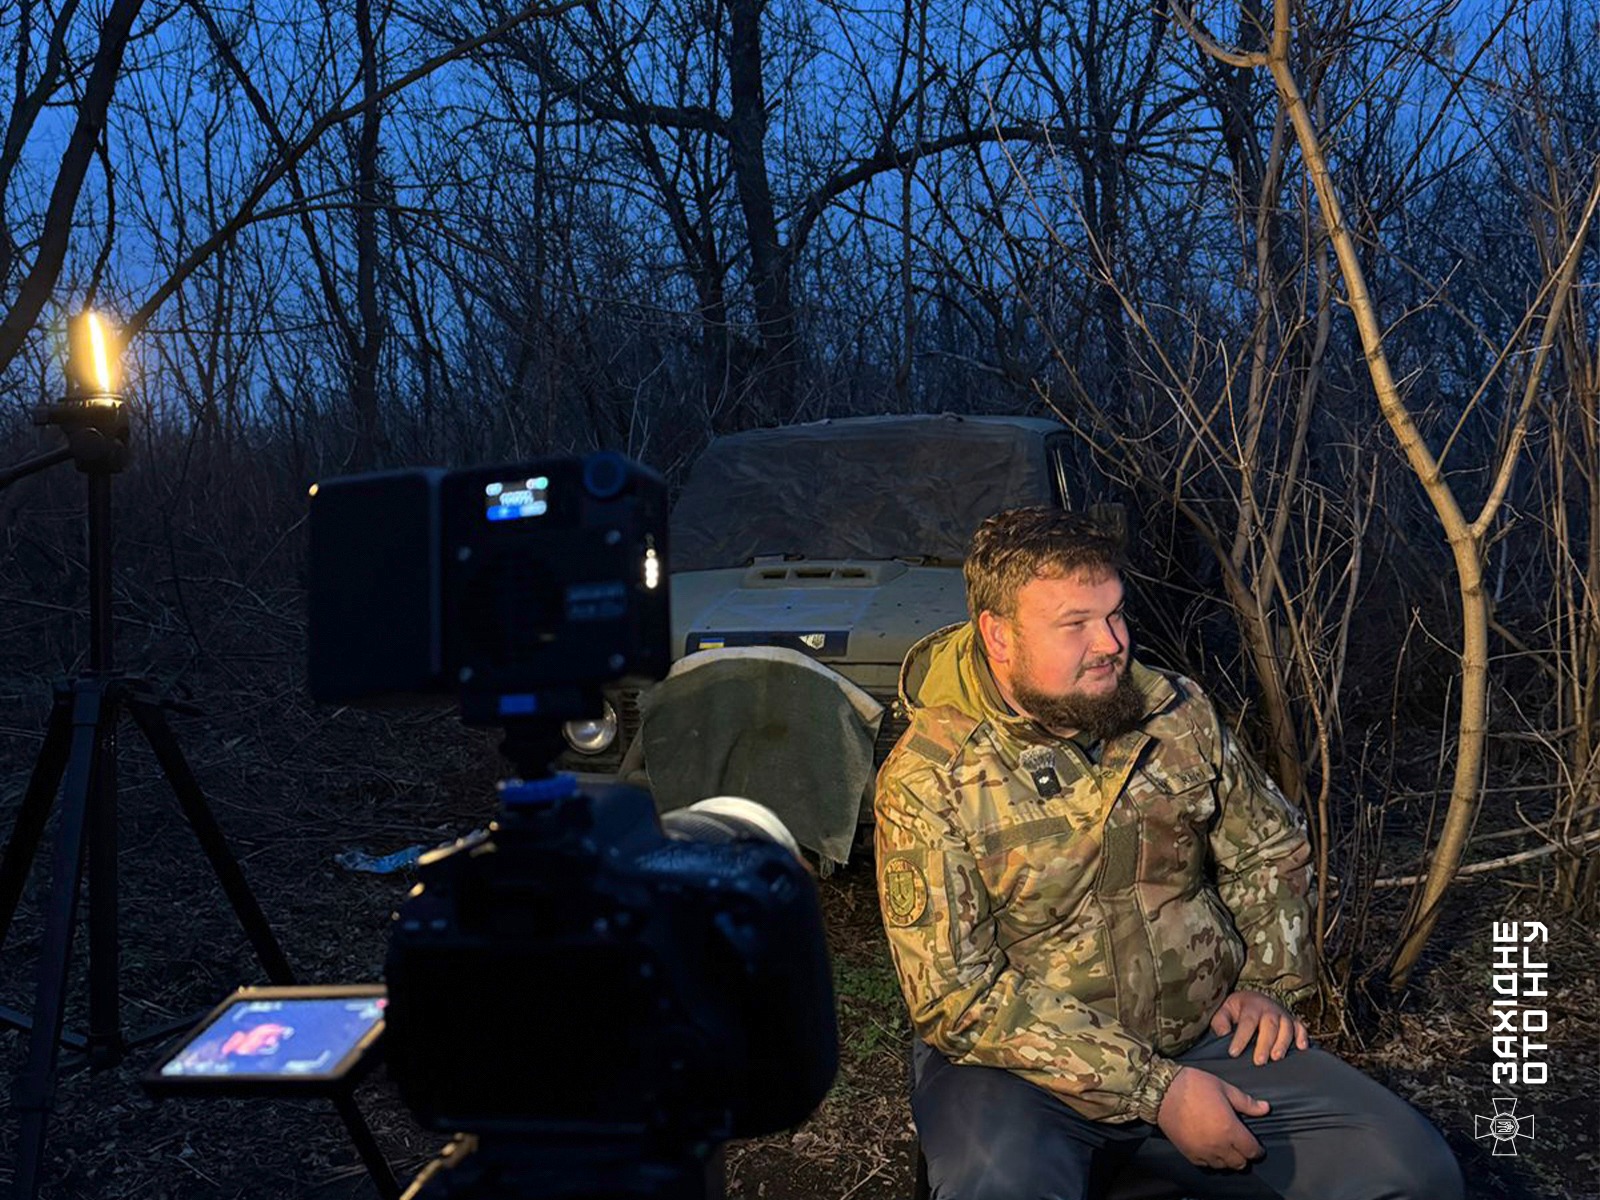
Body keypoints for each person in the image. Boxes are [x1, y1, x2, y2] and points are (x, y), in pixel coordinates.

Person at [875, 508, 1462, 1200]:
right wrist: (1159, 1092)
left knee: (1412, 1175)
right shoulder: (931, 775)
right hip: (1019, 1073)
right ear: (998, 637)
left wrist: (1270, 982)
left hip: (1205, 1040)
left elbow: (1269, 847)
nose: (1111, 643)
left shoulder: (1174, 712)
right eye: (1075, 624)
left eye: (1116, 614)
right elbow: (956, 995)